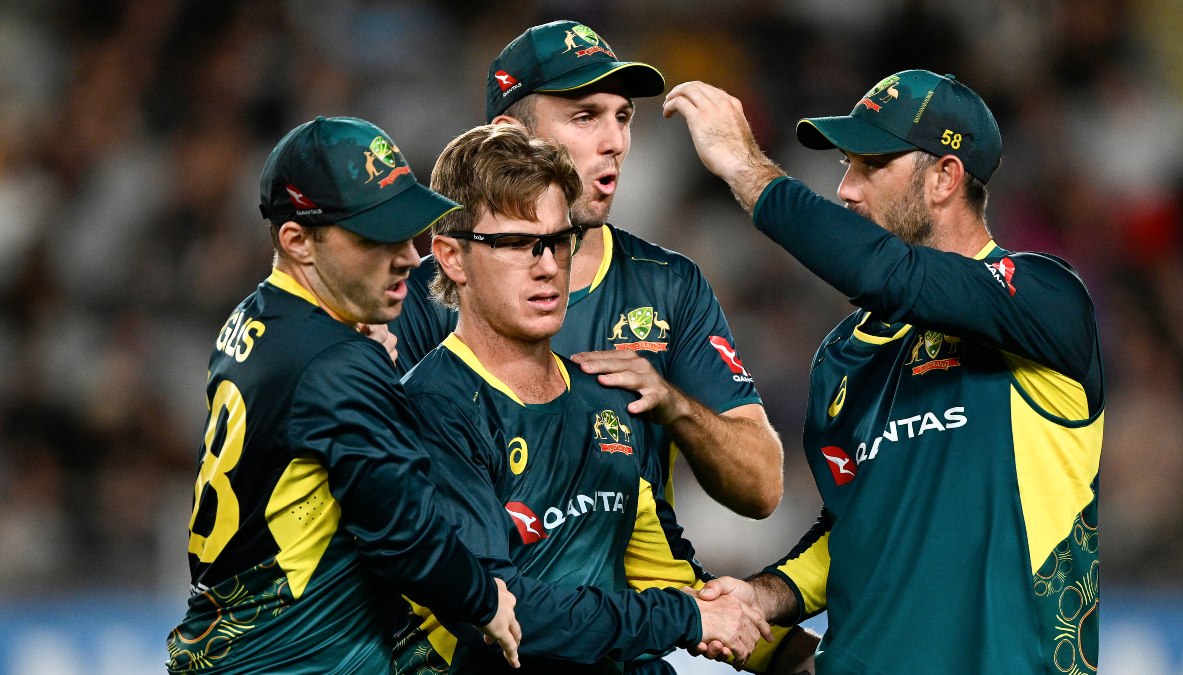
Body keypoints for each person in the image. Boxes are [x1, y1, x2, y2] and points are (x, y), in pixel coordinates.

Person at [664, 71, 1105, 673]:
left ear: (945, 177)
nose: (846, 189)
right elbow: (851, 527)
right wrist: (765, 595)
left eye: (871, 165)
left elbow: (888, 274)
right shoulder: (845, 353)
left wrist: (745, 166)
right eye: (846, 164)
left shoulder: (1043, 303)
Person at [390, 23, 785, 667]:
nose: (615, 142)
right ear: (510, 138)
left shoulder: (666, 284)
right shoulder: (428, 299)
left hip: (636, 628)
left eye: (624, 118)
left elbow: (761, 489)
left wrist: (675, 407)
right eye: (584, 116)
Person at [165, 116, 521, 673]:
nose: (408, 254)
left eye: (406, 230)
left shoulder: (253, 319)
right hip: (292, 658)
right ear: (298, 241)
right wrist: (483, 600)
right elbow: (405, 534)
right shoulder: (337, 362)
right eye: (374, 237)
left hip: (228, 646)